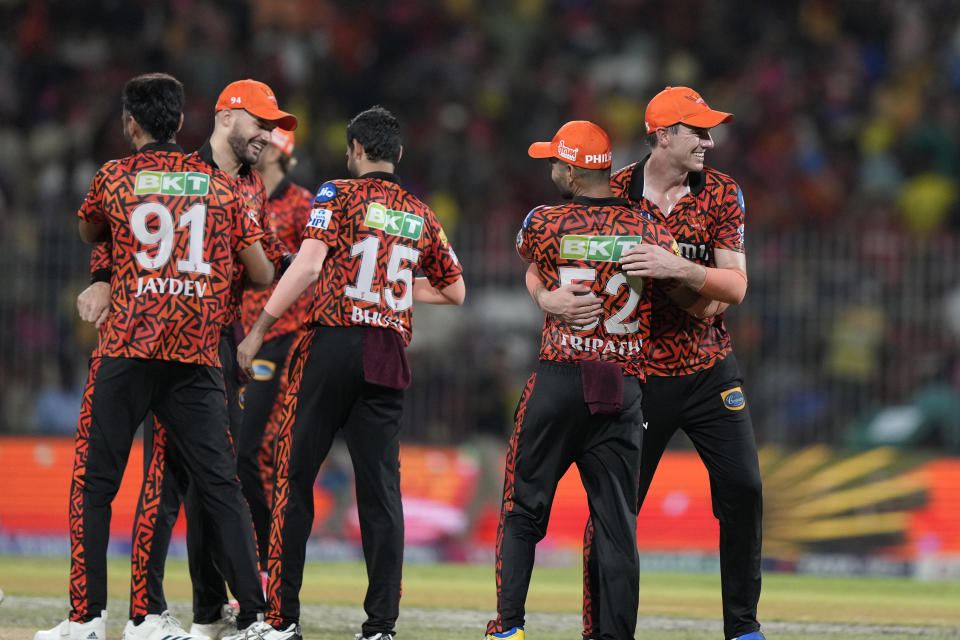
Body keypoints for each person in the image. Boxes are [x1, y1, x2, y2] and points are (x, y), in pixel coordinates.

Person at [34, 72, 274, 640]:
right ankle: (260, 618)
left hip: (129, 345)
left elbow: (93, 229)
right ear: (183, 122)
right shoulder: (220, 186)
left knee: (96, 484)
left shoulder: (114, 177)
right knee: (220, 486)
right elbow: (261, 270)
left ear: (130, 123)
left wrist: (117, 273)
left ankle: (88, 618)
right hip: (194, 352)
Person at [530, 87, 765, 640]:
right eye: (697, 130)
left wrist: (674, 266)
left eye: (709, 131)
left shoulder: (722, 192)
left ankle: (744, 629)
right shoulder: (610, 190)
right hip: (637, 377)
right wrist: (545, 298)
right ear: (662, 135)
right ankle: (604, 632)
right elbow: (541, 253)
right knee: (614, 511)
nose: (709, 141)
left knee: (746, 490)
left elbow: (737, 285)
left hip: (710, 368)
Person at [233, 105, 466, 640]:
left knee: (294, 480)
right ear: (398, 154)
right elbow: (455, 290)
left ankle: (281, 618)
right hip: (386, 351)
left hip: (331, 344)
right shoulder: (421, 214)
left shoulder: (335, 194)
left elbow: (310, 264)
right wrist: (399, 289)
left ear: (355, 150)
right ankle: (380, 625)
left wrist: (260, 328)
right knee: (381, 494)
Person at [485, 121, 680, 640]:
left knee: (522, 508)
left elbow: (532, 260)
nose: (550, 169)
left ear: (571, 171)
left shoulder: (544, 221)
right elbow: (675, 280)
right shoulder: (648, 227)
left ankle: (508, 627)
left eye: (554, 162)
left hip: (558, 377)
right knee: (618, 527)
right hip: (621, 384)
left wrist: (547, 298)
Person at [238, 126, 314, 574]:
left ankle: (271, 562)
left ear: (280, 153)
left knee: (257, 452)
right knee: (237, 455)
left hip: (284, 339)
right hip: (236, 335)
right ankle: (254, 561)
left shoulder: (302, 204)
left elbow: (316, 269)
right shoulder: (242, 195)